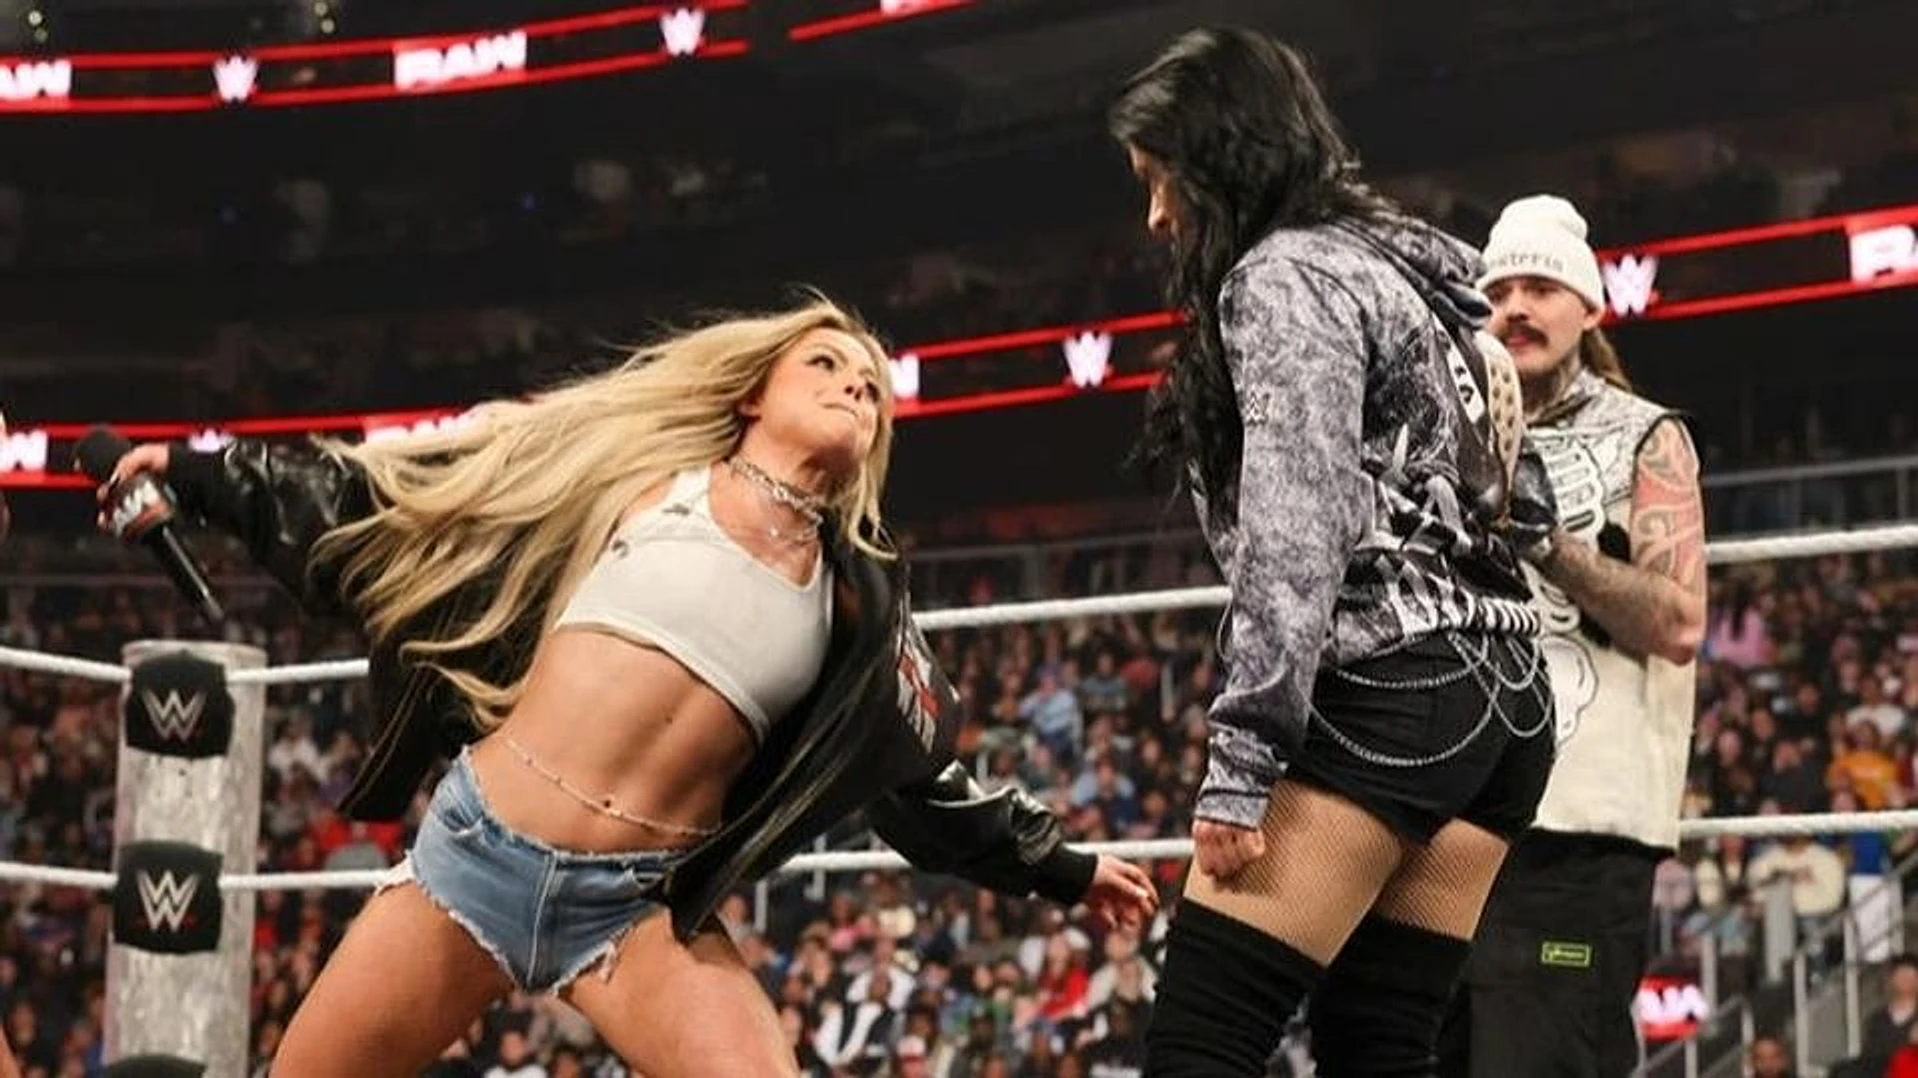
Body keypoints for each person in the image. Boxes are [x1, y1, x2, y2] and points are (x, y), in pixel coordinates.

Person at [98, 296, 1158, 1077]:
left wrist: (1060, 866)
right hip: (475, 857)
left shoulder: (857, 605)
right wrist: (195, 475)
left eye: (872, 387)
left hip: (635, 910)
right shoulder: (635, 480)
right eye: (827, 363)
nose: (854, 385)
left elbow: (918, 778)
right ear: (752, 393)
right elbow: (389, 500)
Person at [1106, 28, 1557, 1076]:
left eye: (1159, 179)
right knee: (1378, 1048)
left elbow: (1296, 523)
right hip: (1503, 702)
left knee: (1201, 1046)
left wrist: (1241, 762)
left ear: (1217, 157)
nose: (1157, 215)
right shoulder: (1418, 282)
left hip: (1388, 690)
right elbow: (1518, 500)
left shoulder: (1285, 275)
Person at [1437, 195, 1705, 1078]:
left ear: (1588, 309)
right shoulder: (1444, 442)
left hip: (1576, 830)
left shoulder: (1647, 436)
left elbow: (1680, 623)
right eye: (1499, 290)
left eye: (1541, 288)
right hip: (1444, 821)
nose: (1516, 307)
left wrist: (1548, 544)